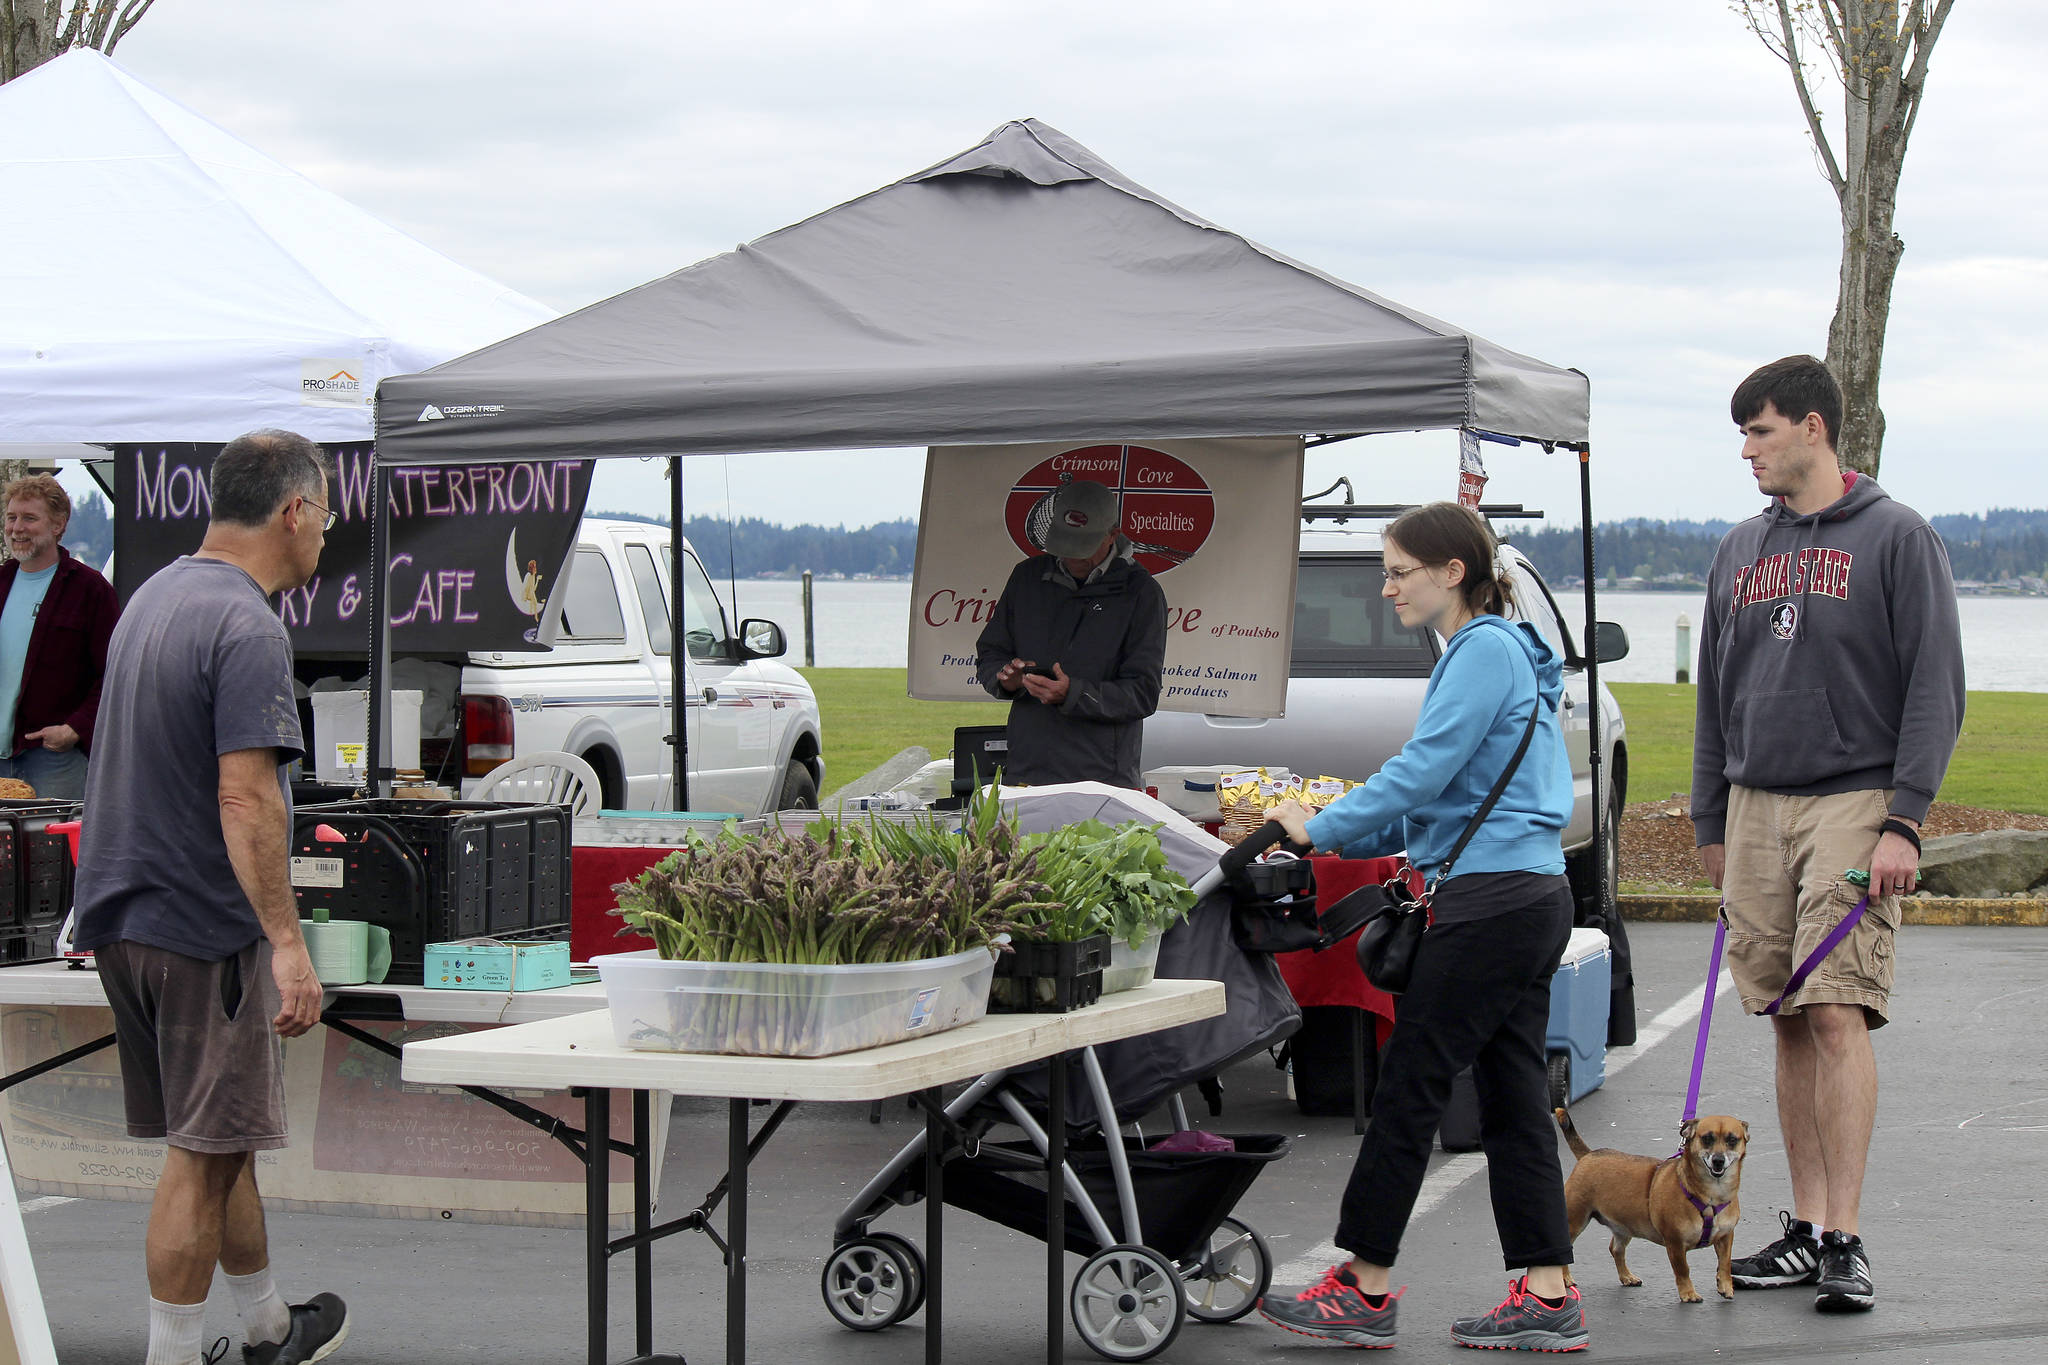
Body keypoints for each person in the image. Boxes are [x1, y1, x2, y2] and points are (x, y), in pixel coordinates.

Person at [1256, 501, 1586, 1352]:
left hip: (1489, 906)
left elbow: (1421, 770)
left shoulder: (1479, 651)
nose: (1387, 584)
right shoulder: (1499, 652)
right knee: (1512, 1096)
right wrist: (1336, 833)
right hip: (1530, 893)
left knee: (1410, 1088)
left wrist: (1320, 825)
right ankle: (1547, 1293)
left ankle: (1364, 1287)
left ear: (1453, 572)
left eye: (1401, 569)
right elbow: (1445, 800)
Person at [70, 431, 350, 1365]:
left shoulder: (153, 595)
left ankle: (270, 1325)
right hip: (202, 929)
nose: (329, 532)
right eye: (327, 511)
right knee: (198, 1154)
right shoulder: (248, 623)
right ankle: (172, 1355)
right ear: (293, 511)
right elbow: (246, 797)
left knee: (218, 1137)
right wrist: (287, 941)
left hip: (120, 914)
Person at [1693, 355, 1964, 1314]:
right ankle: (1803, 1230)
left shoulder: (1898, 537)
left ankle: (1846, 1236)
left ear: (1813, 427)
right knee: (1787, 1013)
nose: (1748, 450)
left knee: (1840, 1008)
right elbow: (1715, 694)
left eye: (1760, 431)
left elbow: (1936, 688)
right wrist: (1710, 817)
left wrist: (1905, 821)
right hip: (1755, 801)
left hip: (1856, 798)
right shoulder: (1738, 548)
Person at [973, 478, 1166, 788]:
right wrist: (1005, 678)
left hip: (1103, 779)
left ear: (1112, 535)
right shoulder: (1026, 579)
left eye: (1083, 546)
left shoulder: (1141, 593)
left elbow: (1143, 694)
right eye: (1065, 545)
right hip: (1028, 770)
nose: (1073, 556)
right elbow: (991, 653)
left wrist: (1072, 694)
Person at [0, 474, 119, 800]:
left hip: (55, 757)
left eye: (29, 518)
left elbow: (113, 673)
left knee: (59, 850)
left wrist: (75, 728)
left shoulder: (90, 590)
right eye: (11, 518)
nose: (17, 528)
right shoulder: (1, 582)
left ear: (58, 525)